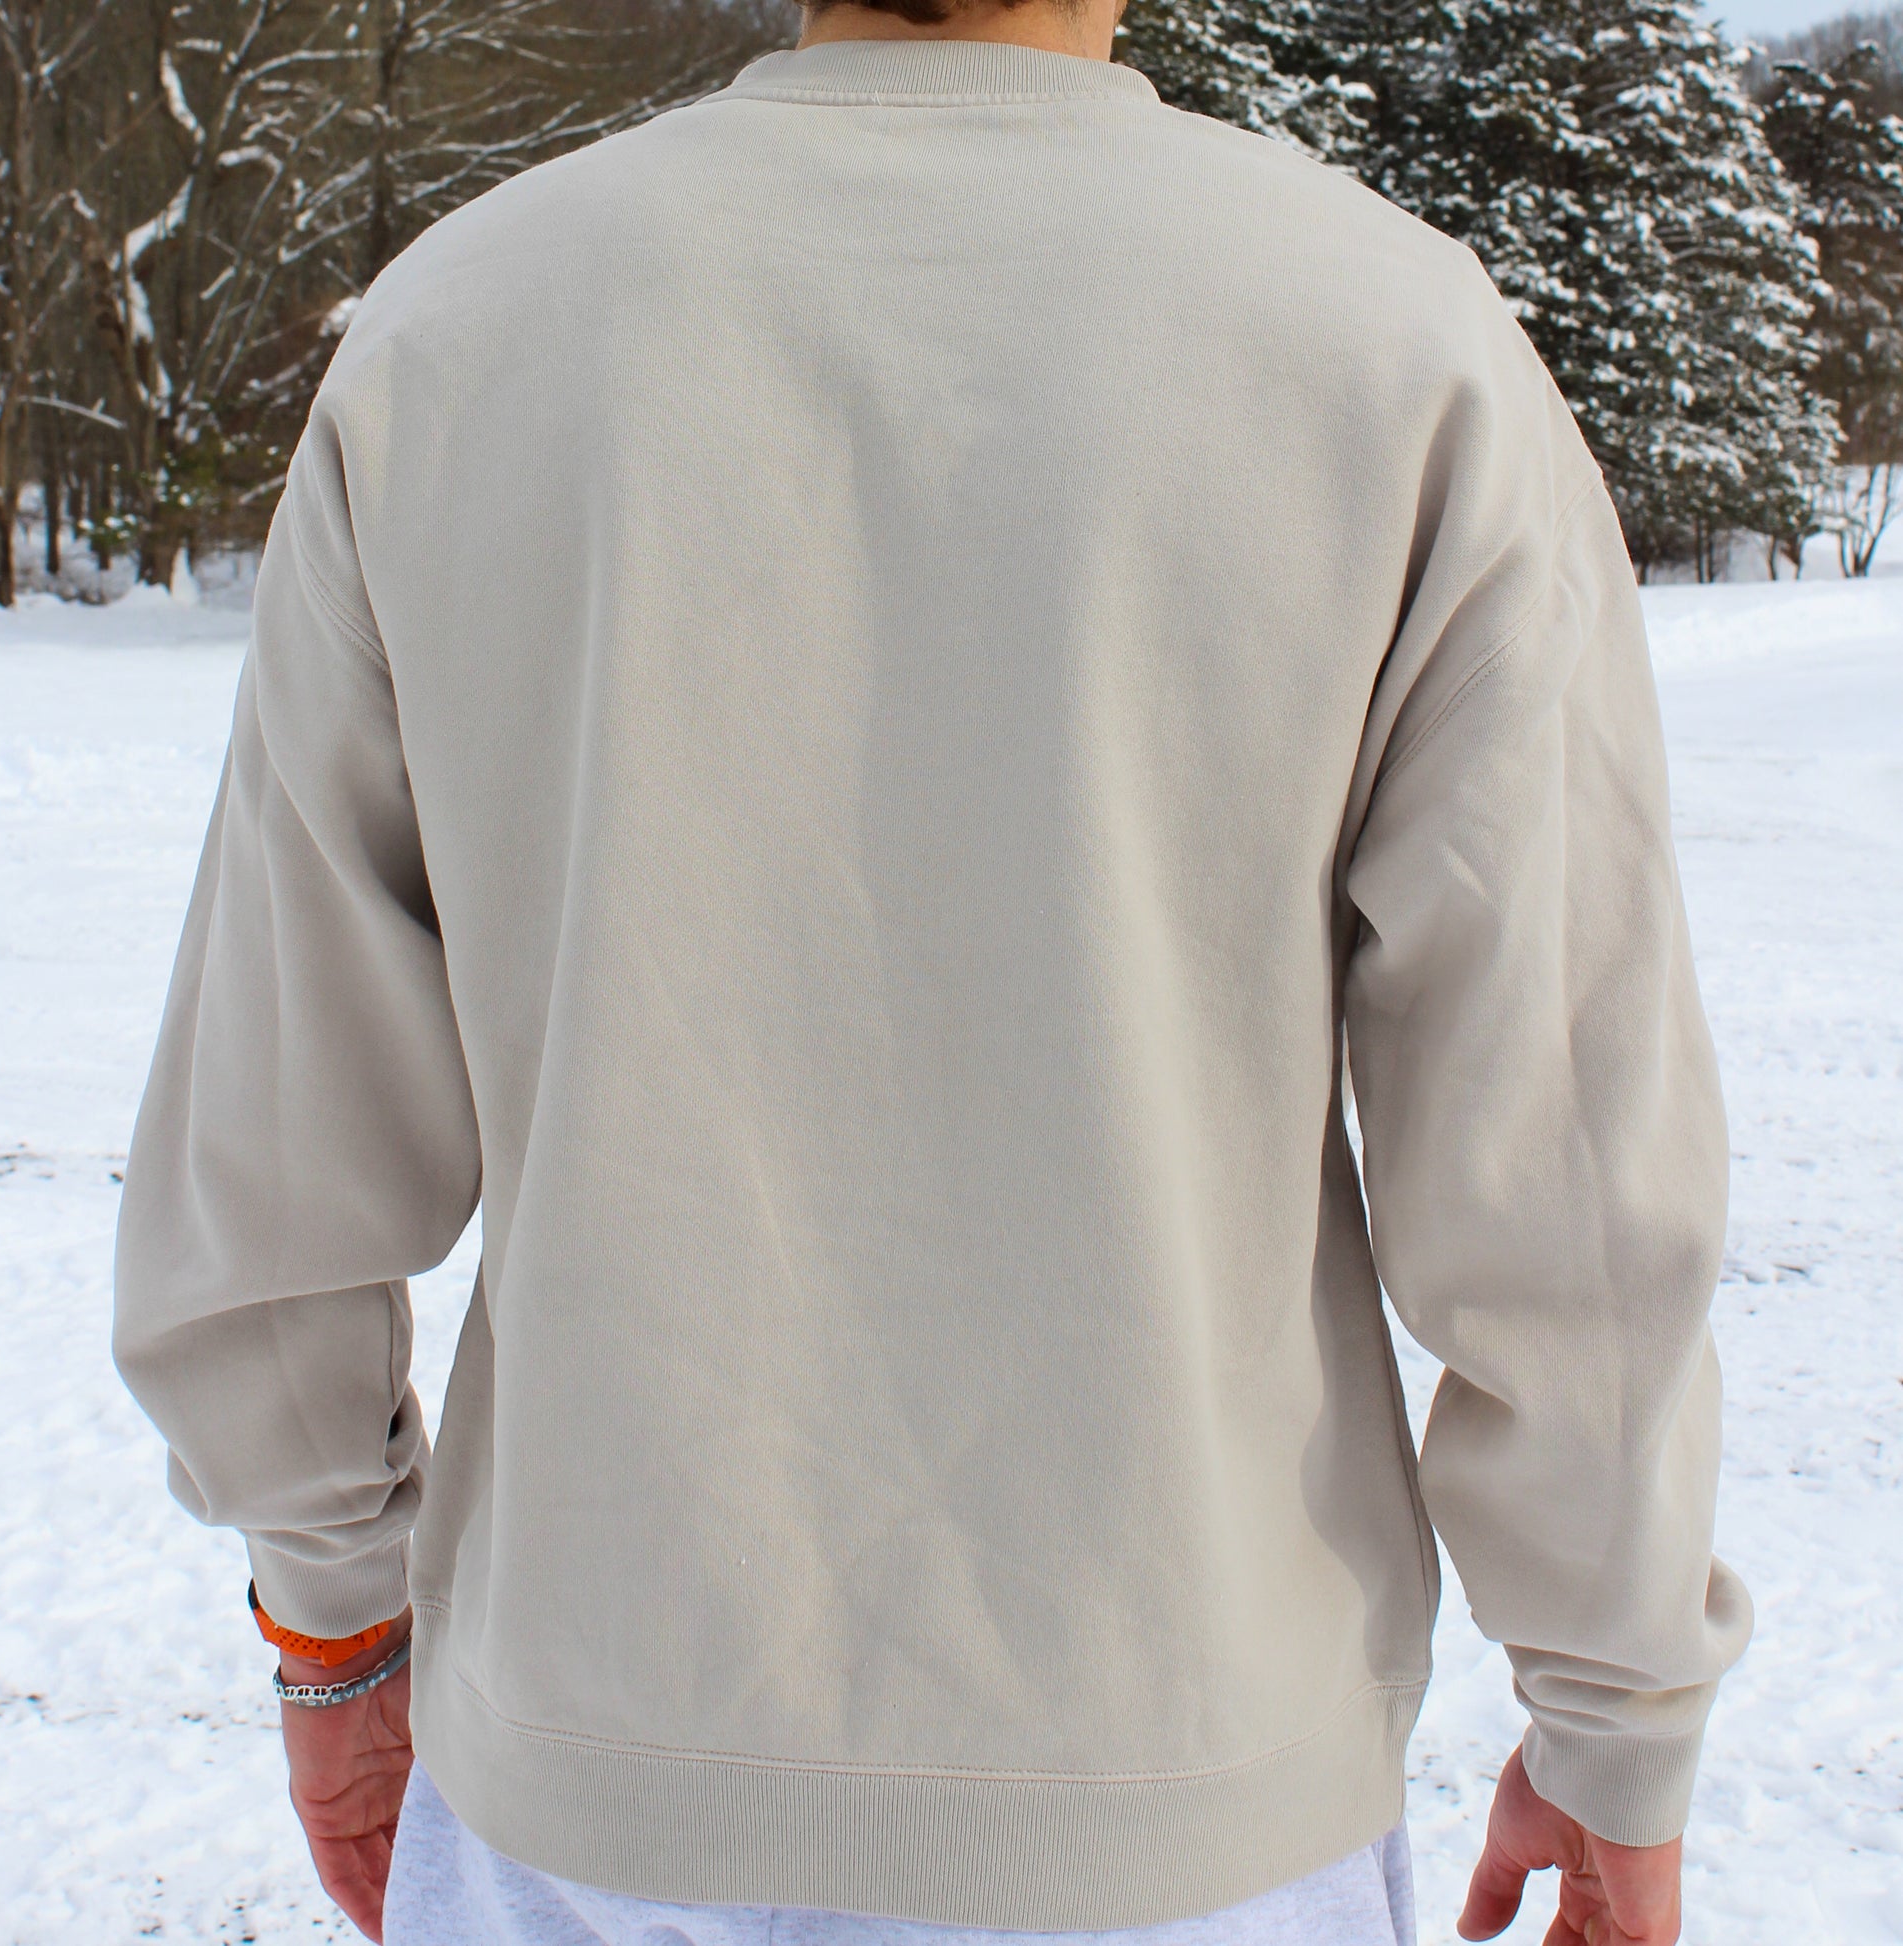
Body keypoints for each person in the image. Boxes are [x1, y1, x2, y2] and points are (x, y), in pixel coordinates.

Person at [111, 0, 1753, 1938]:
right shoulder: (1392, 345)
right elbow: (1555, 1154)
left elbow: (276, 1117)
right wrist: (1611, 1702)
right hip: (1189, 1805)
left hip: (596, 1780)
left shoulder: (464, 334)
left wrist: (330, 1616)